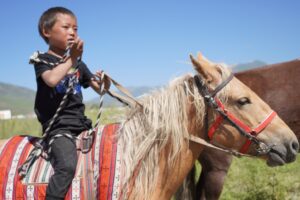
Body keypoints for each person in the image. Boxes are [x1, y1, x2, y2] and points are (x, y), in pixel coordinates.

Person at [33, 7, 108, 199]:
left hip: (81, 124)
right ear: (46, 31)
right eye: (66, 27)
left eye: (76, 28)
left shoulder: (79, 65)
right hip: (58, 128)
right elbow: (51, 80)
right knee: (67, 166)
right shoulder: (43, 60)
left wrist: (104, 82)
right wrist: (72, 59)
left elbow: (99, 89)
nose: (73, 32)